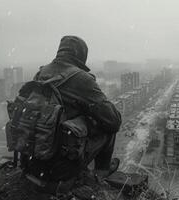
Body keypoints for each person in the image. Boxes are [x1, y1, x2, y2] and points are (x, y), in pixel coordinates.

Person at [31, 35, 122, 192]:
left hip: (34, 160)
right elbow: (113, 120)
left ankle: (46, 170)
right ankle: (100, 174)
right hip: (60, 168)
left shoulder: (40, 74)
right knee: (108, 127)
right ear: (81, 55)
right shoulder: (80, 78)